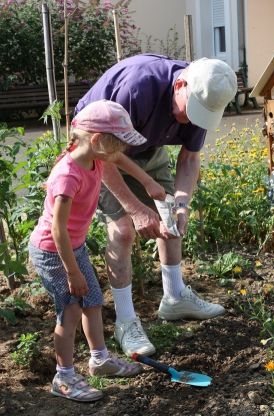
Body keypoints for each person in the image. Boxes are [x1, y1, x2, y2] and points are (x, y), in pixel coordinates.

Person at [75, 53, 238, 357]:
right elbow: (103, 152)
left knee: (172, 219)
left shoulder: (202, 96)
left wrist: (182, 203)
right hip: (97, 146)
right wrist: (136, 209)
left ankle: (174, 297)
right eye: (190, 111)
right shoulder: (139, 87)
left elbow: (189, 158)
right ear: (180, 85)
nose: (190, 120)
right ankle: (125, 321)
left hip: (147, 147)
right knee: (123, 230)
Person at [28, 99, 167, 402]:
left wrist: (147, 180)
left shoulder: (96, 157)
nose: (123, 151)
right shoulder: (68, 176)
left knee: (92, 302)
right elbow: (57, 230)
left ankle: (100, 360)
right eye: (118, 143)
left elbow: (120, 161)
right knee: (70, 310)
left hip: (71, 247)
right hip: (53, 251)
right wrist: (72, 271)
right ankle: (63, 377)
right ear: (97, 140)